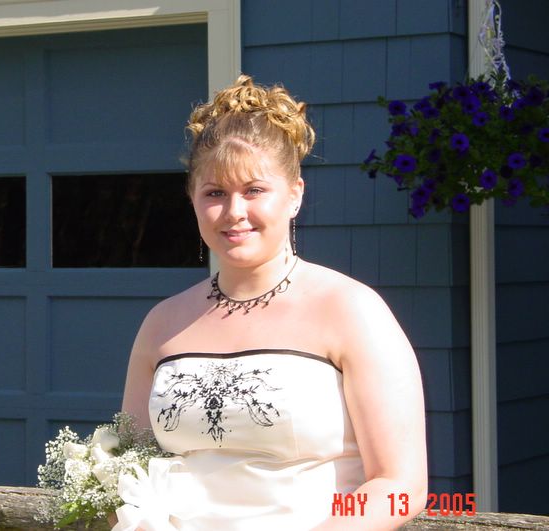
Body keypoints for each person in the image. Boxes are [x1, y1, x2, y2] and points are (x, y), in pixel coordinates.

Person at [114, 75, 427, 530]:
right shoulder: (163, 323)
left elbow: (401, 487)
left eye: (254, 190)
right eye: (215, 193)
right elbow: (129, 470)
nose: (234, 212)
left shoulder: (351, 310)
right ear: (193, 201)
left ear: (295, 195)